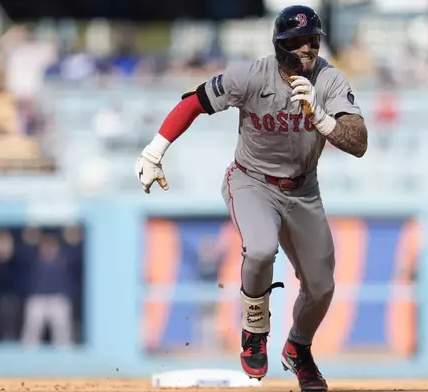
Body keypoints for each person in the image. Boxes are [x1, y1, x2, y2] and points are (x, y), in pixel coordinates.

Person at [134, 5, 368, 391]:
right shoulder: (250, 76)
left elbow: (359, 142)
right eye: (297, 41)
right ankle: (255, 329)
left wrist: (321, 117)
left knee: (322, 287)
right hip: (252, 180)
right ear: (279, 46)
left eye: (313, 40)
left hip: (304, 189)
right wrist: (154, 151)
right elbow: (195, 102)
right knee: (260, 249)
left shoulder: (329, 79)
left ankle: (298, 349)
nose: (307, 48)